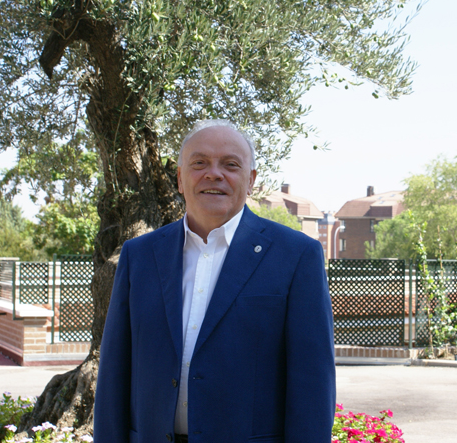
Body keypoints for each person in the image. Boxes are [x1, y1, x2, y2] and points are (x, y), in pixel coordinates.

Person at [94, 119, 336, 443]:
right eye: (199, 163)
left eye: (230, 164)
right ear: (180, 179)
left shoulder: (296, 256)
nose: (214, 174)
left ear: (251, 181)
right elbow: (114, 373)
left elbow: (312, 384)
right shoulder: (139, 255)